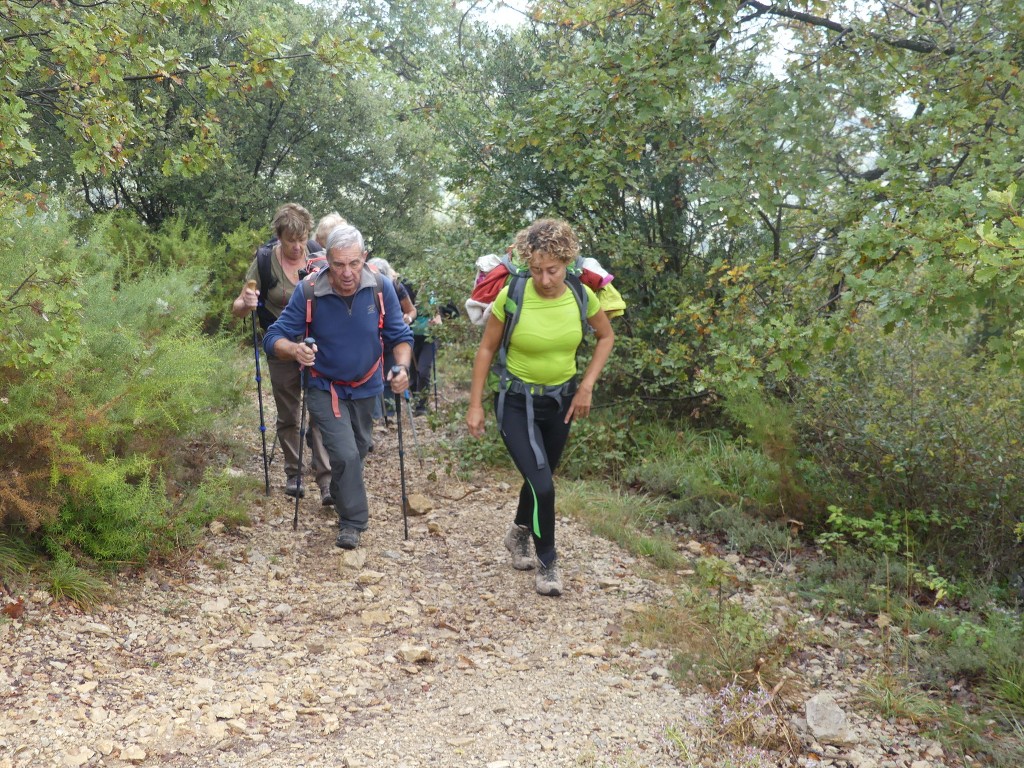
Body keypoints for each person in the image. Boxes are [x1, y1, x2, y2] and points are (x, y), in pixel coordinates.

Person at [466, 218, 615, 596]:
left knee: (539, 478)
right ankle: (548, 563)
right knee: (544, 486)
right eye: (536, 270)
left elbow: (606, 336)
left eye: (553, 270)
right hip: (516, 401)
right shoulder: (513, 293)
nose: (545, 279)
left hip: (562, 402)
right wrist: (476, 405)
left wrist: (586, 386)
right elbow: (486, 349)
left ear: (567, 263)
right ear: (526, 265)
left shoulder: (582, 295)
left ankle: (518, 533)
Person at [264, 225, 414, 550]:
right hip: (324, 386)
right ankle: (352, 522)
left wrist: (401, 367)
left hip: (367, 386)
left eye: (354, 264)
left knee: (357, 453)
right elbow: (272, 338)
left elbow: (400, 337)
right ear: (327, 260)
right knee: (344, 454)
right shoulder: (308, 292)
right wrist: (295, 350)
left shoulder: (381, 288)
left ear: (364, 258)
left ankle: (346, 505)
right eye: (338, 265)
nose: (347, 273)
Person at [231, 203, 333, 505]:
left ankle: (326, 479)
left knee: (320, 411)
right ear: (279, 236)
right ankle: (294, 474)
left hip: (317, 346)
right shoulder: (264, 261)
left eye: (302, 240)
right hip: (280, 346)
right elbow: (238, 307)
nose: (297, 246)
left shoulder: (318, 255)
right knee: (289, 413)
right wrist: (246, 302)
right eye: (291, 241)